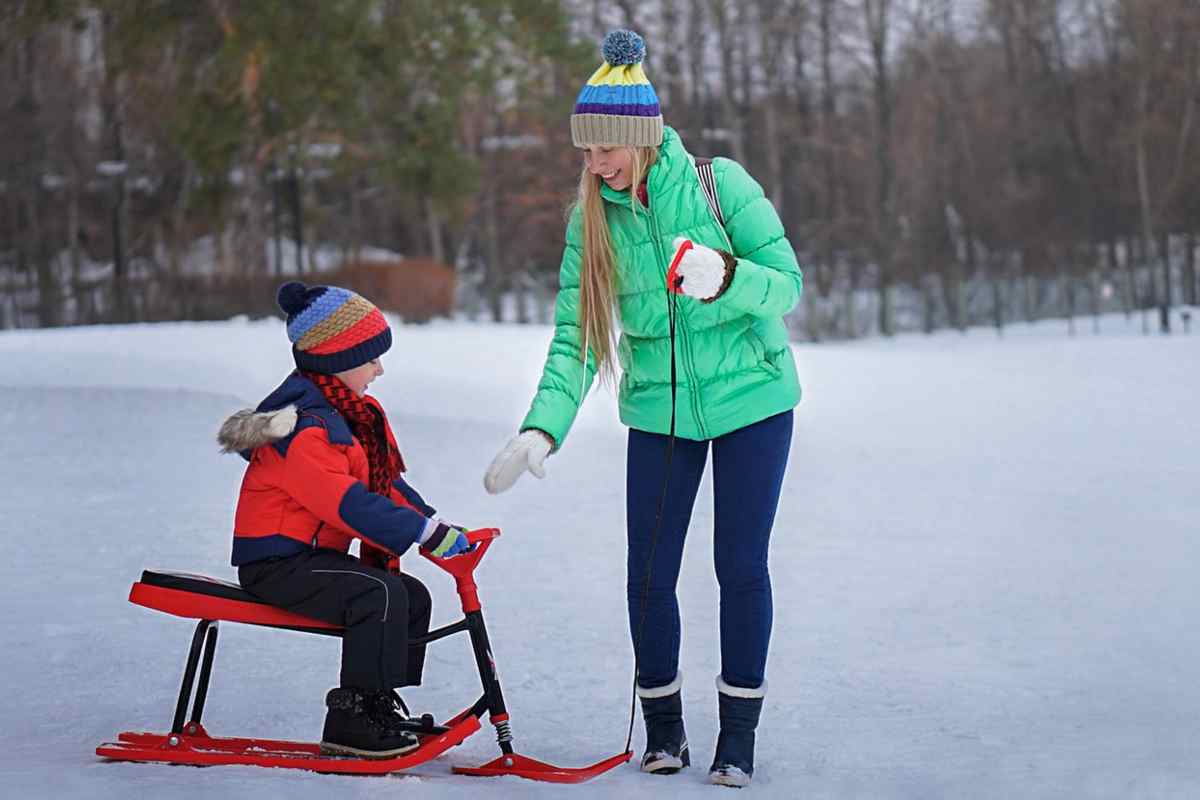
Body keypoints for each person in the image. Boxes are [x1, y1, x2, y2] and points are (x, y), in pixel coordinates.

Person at [482, 29, 802, 788]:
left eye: (605, 150)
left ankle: (738, 739)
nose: (594, 165)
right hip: (660, 415)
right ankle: (664, 732)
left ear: (641, 137)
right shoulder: (591, 221)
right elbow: (576, 337)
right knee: (648, 576)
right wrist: (541, 425)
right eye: (586, 153)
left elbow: (785, 283)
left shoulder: (721, 184)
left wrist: (725, 277)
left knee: (739, 566)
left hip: (754, 402)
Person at [217, 280, 470, 758]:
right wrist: (419, 533)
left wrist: (437, 527)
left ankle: (376, 705)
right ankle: (349, 717)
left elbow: (382, 485)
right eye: (370, 357)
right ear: (336, 359)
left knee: (410, 596)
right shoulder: (303, 428)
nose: (379, 368)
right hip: (278, 564)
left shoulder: (347, 416)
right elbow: (345, 502)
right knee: (378, 592)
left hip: (314, 559)